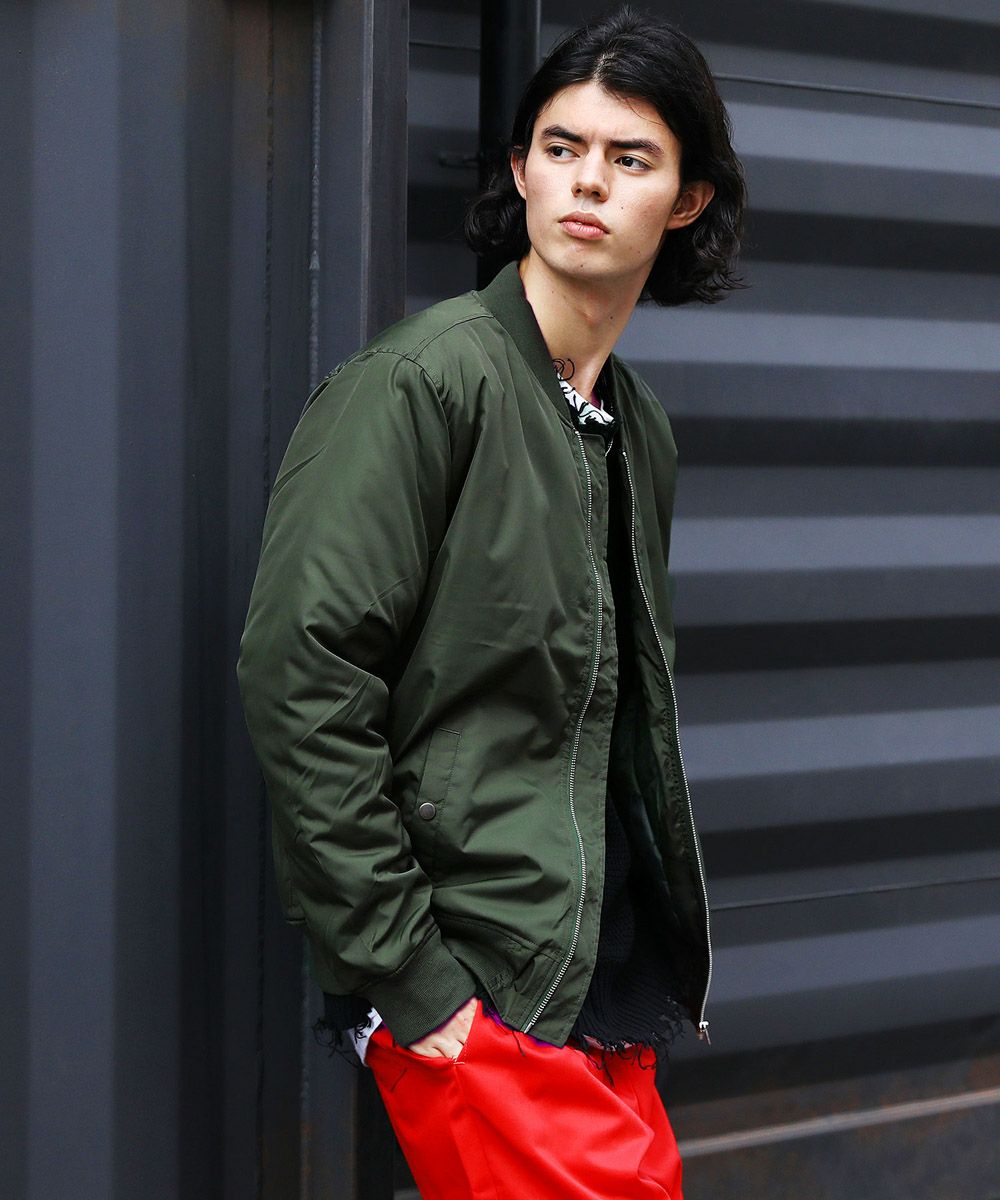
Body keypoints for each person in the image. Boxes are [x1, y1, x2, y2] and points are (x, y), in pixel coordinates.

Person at [237, 6, 746, 1197]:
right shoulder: (422, 384)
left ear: (687, 201)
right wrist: (411, 979)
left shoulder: (638, 429)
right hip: (477, 983)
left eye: (629, 157)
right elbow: (302, 675)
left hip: (593, 984)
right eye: (561, 148)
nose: (587, 181)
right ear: (519, 171)